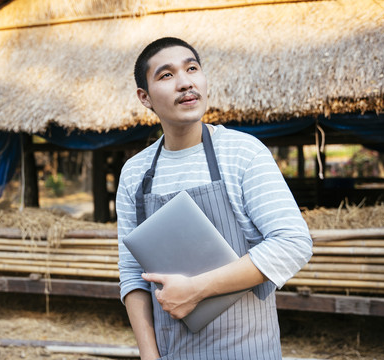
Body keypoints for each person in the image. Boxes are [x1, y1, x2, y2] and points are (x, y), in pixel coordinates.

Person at [116, 37, 312, 360]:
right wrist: (150, 356)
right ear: (145, 97)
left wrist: (196, 290)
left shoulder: (242, 154)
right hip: (171, 352)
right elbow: (132, 272)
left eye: (192, 68)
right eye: (166, 75)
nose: (185, 82)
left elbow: (293, 243)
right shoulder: (134, 174)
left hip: (247, 349)